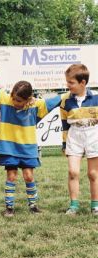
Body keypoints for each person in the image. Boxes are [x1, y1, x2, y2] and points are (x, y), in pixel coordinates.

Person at [0, 81, 61, 217]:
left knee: (29, 176)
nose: (15, 101)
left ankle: (33, 206)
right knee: (11, 176)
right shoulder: (5, 99)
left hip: (27, 148)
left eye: (19, 100)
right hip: (9, 148)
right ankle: (9, 208)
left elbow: (58, 99)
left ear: (28, 99)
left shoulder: (37, 106)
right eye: (13, 97)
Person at [60, 64, 98, 216]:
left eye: (71, 82)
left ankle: (95, 206)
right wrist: (64, 143)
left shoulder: (96, 97)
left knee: (93, 173)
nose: (67, 85)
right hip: (74, 137)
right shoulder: (65, 100)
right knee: (72, 171)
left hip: (93, 136)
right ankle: (73, 206)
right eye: (67, 82)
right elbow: (64, 124)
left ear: (83, 83)